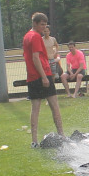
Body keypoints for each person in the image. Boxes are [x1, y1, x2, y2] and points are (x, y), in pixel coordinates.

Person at [24, 12, 64, 147]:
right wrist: (43, 77)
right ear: (35, 23)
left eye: (45, 25)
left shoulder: (27, 36)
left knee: (35, 109)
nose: (44, 28)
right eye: (41, 25)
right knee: (54, 106)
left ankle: (34, 141)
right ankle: (61, 135)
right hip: (42, 75)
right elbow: (35, 58)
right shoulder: (35, 37)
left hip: (32, 77)